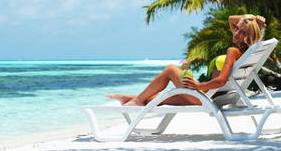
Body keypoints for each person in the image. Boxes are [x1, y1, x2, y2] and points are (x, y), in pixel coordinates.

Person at [106, 14, 267, 106]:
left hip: (205, 97)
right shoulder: (248, 50)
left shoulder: (233, 51)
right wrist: (252, 19)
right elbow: (232, 19)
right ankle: (132, 99)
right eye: (236, 28)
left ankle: (137, 100)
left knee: (170, 69)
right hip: (210, 96)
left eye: (242, 32)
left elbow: (221, 80)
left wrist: (198, 85)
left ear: (249, 35)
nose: (236, 32)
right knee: (159, 100)